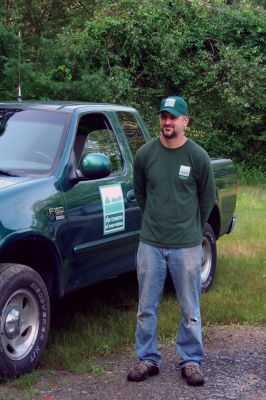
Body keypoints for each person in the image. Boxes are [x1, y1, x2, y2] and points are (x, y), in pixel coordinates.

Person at [127, 96, 216, 386]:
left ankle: (191, 360)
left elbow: (206, 198)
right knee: (146, 306)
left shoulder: (197, 156)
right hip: (151, 243)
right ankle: (147, 359)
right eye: (163, 116)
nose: (167, 121)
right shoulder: (145, 154)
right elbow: (140, 192)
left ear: (185, 121)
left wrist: (191, 228)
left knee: (190, 306)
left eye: (174, 117)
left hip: (186, 245)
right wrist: (156, 221)